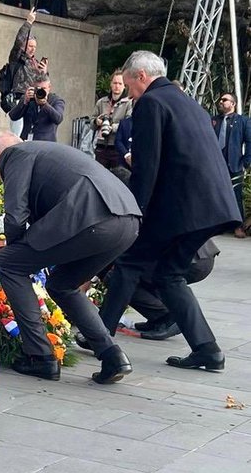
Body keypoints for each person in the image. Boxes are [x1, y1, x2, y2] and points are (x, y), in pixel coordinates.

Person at [99, 51, 238, 371]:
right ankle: (207, 349)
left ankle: (100, 336)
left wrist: (134, 211)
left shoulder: (151, 103)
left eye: (130, 83)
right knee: (168, 275)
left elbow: (147, 166)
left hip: (180, 206)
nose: (130, 92)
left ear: (141, 77)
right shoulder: (187, 101)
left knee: (129, 262)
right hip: (212, 204)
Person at [0, 134, 138, 382]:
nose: (0, 177)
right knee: (61, 284)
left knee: (7, 264)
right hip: (127, 220)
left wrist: (17, 254)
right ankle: (112, 355)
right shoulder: (47, 152)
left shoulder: (15, 154)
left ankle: (40, 356)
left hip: (91, 216)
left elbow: (15, 216)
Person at [211, 92, 251, 235]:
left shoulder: (243, 121)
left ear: (233, 104)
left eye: (225, 100)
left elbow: (249, 142)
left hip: (234, 164)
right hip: (215, 165)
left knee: (236, 196)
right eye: (220, 99)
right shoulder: (214, 120)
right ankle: (217, 226)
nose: (221, 102)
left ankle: (238, 227)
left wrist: (246, 162)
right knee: (215, 195)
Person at [92, 72, 132, 169]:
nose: (117, 86)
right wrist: (97, 122)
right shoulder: (101, 102)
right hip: (101, 147)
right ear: (110, 84)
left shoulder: (129, 103)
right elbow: (91, 123)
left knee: (117, 178)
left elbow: (128, 125)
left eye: (120, 83)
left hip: (117, 148)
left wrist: (112, 127)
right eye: (115, 83)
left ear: (124, 86)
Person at [8, 75, 65, 141]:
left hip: (46, 144)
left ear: (49, 87)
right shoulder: (28, 98)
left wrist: (45, 104)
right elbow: (13, 116)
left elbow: (58, 119)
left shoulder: (56, 100)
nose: (41, 91)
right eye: (38, 89)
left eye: (44, 88)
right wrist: (25, 102)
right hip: (27, 142)